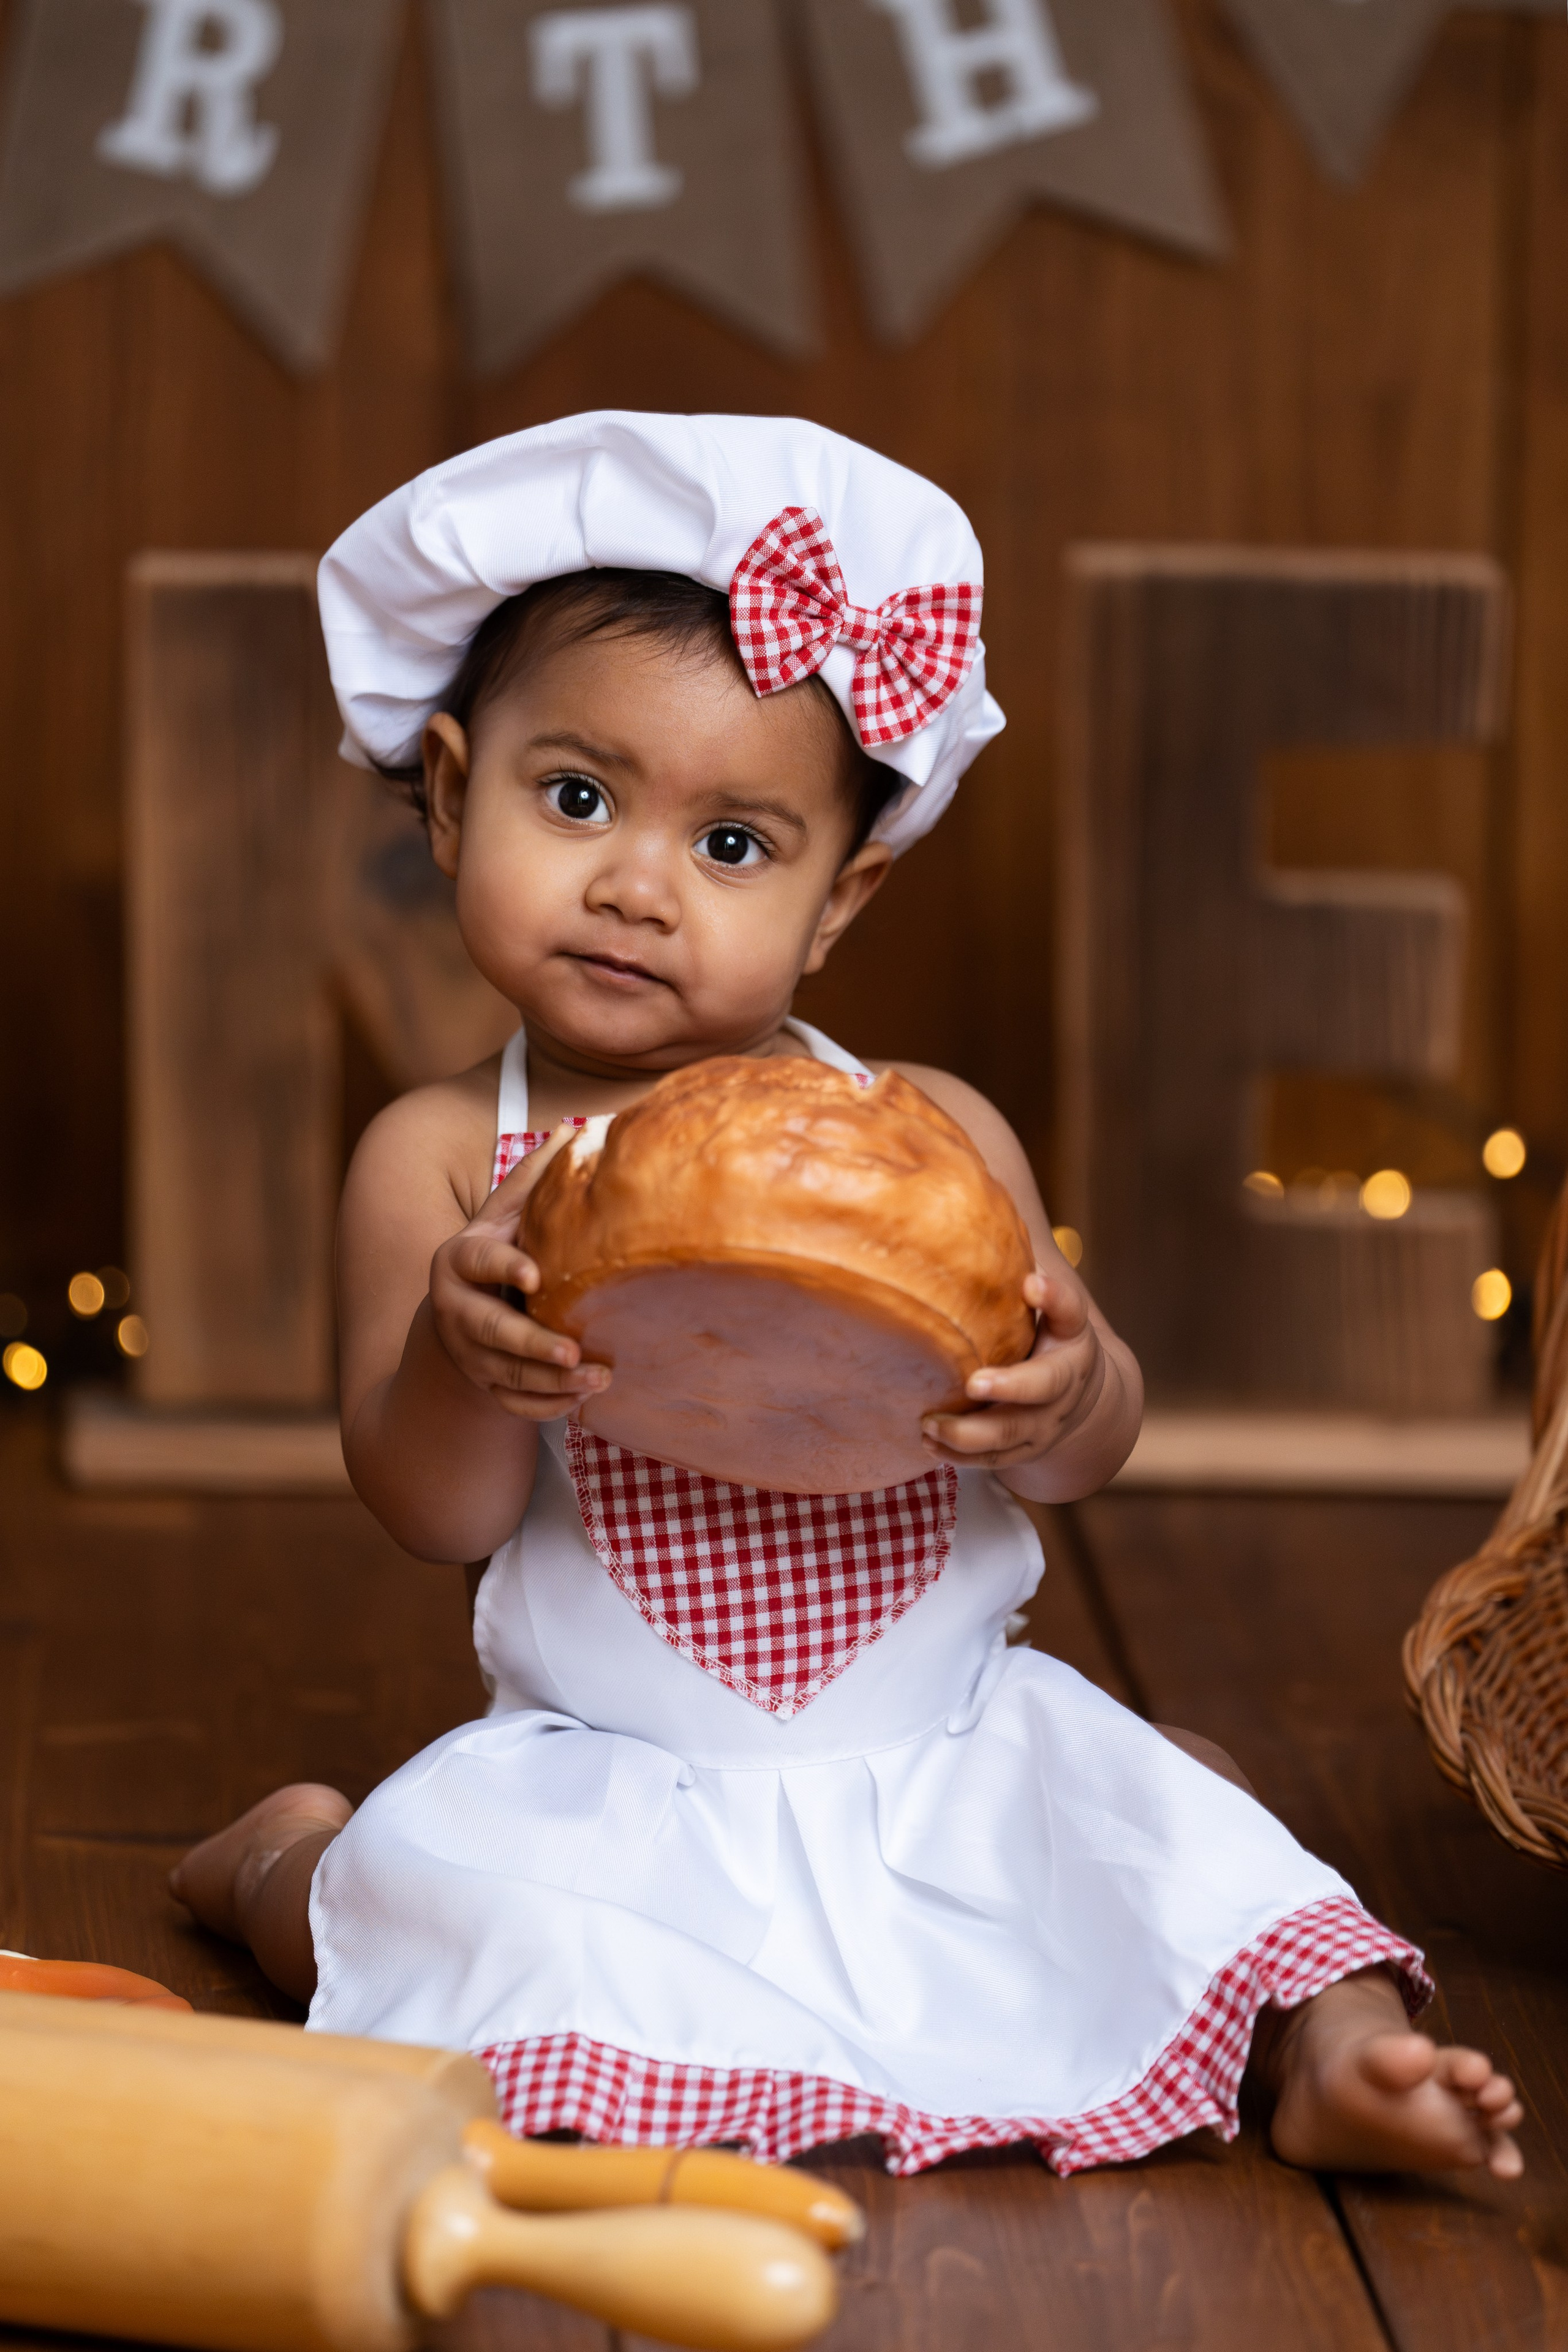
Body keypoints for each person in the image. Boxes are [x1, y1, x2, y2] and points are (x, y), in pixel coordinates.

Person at [172, 413, 1523, 2182]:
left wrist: (1073, 1382)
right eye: (575, 799)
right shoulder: (439, 1162)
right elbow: (433, 1515)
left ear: (838, 901)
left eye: (735, 845)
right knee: (441, 1898)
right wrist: (458, 1350)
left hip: (941, 1750)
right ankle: (277, 1862)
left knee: (1186, 1803)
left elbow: (1073, 1455)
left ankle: (1343, 2055)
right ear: (447, 793)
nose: (638, 885)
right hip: (616, 1774)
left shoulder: (930, 1140)